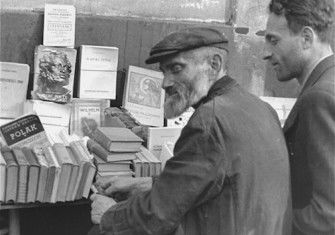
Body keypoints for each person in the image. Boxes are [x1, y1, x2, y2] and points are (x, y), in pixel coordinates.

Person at [89, 27, 292, 235]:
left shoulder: (209, 120)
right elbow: (212, 179)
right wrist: (144, 184)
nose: (165, 83)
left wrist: (109, 214)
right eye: (163, 72)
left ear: (214, 64)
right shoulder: (260, 107)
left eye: (176, 69)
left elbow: (157, 216)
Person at [263, 0, 335, 234]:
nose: (266, 53)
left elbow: (327, 217)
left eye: (274, 40)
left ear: (306, 38)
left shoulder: (319, 98)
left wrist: (261, 224)